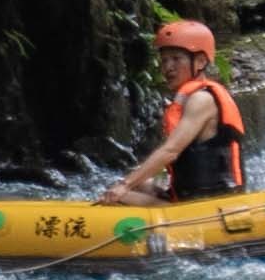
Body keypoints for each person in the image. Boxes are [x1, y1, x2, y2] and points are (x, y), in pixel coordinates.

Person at [98, 20, 251, 206]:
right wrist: (134, 182)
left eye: (176, 59)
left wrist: (125, 184)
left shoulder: (201, 100)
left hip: (209, 205)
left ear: (201, 61)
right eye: (164, 60)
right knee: (139, 185)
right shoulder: (191, 98)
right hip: (190, 197)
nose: (167, 67)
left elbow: (170, 151)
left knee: (120, 196)